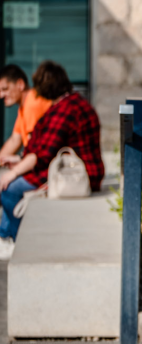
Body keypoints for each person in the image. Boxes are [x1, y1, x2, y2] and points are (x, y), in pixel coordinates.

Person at [0, 61, 103, 257]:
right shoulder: (74, 103)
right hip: (81, 170)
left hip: (74, 176)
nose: (36, 91)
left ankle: (16, 243)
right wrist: (19, 159)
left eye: (38, 85)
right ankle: (7, 237)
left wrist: (13, 171)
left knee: (10, 190)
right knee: (11, 182)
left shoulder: (65, 111)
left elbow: (42, 155)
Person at [0, 64, 53, 164]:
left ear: (20, 84)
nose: (1, 95)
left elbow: (34, 148)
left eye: (5, 89)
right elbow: (15, 140)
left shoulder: (32, 103)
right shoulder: (24, 106)